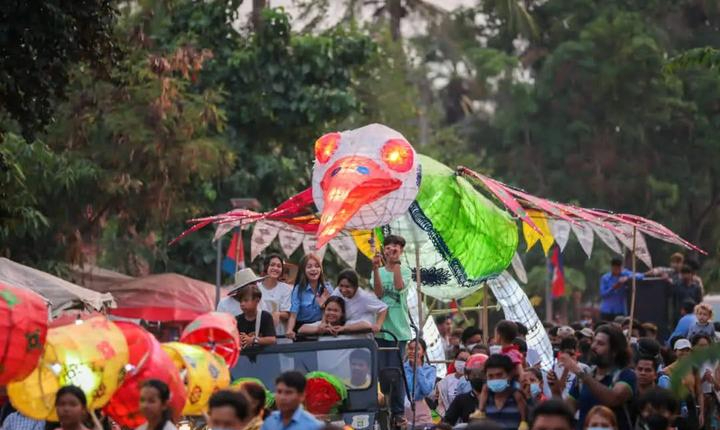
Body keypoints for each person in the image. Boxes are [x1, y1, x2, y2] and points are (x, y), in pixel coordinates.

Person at [562, 324, 636, 430]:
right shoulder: (585, 376)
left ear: (614, 351)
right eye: (594, 341)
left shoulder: (626, 375)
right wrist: (555, 388)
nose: (593, 346)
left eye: (600, 344)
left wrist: (581, 374)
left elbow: (613, 399)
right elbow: (567, 411)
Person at [372, 234, 413, 427]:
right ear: (384, 250)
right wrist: (375, 269)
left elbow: (398, 287)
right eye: (388, 246)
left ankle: (398, 412)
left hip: (399, 331)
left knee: (396, 374)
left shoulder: (405, 271)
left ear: (401, 251)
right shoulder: (377, 271)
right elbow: (378, 294)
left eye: (396, 246)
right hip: (381, 330)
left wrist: (396, 265)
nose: (392, 249)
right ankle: (382, 408)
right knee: (381, 372)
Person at [287, 254, 332, 339]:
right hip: (302, 329)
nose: (314, 269)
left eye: (317, 266)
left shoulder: (327, 287)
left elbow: (332, 310)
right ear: (303, 270)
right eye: (309, 267)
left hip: (322, 326)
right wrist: (289, 330)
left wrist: (323, 306)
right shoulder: (299, 289)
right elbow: (293, 315)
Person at [477, 354, 526, 430]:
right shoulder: (485, 397)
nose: (495, 379)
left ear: (509, 375)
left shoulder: (518, 395)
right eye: (490, 376)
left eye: (499, 375)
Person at [662, 338, 701, 430]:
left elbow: (699, 392)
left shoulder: (694, 368)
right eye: (681, 350)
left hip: (692, 408)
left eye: (687, 350)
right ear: (675, 351)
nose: (685, 353)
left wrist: (702, 412)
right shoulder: (667, 371)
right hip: (676, 409)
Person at [297, 296, 372, 337]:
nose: (331, 313)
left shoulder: (347, 324)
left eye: (335, 311)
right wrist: (320, 329)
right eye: (329, 310)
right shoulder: (321, 325)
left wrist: (343, 329)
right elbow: (301, 329)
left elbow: (367, 325)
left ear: (342, 313)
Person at [257, 254, 293, 336]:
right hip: (260, 333)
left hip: (280, 333)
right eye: (272, 265)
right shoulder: (257, 288)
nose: (275, 268)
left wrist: (278, 314)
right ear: (266, 267)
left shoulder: (287, 289)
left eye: (279, 266)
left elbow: (288, 314)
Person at [404, 338, 437, 427]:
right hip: (404, 411)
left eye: (417, 349)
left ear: (423, 352)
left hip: (421, 411)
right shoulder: (402, 368)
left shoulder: (430, 370)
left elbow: (427, 391)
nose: (413, 351)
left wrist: (418, 367)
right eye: (410, 348)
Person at [599, 257, 644, 321]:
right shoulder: (605, 278)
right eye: (615, 268)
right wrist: (615, 287)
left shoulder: (625, 274)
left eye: (619, 268)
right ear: (612, 267)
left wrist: (628, 278)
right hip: (606, 310)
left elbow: (640, 276)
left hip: (620, 311)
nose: (618, 270)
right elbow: (603, 294)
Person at [692, 333, 718, 430]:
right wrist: (702, 379)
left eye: (706, 345)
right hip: (696, 401)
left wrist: (712, 380)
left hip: (712, 399)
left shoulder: (714, 362)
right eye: (700, 346)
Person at [436, 350, 470, 415]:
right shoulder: (445, 381)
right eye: (461, 359)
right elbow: (440, 405)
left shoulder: (472, 381)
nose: (463, 363)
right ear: (455, 360)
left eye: (466, 360)